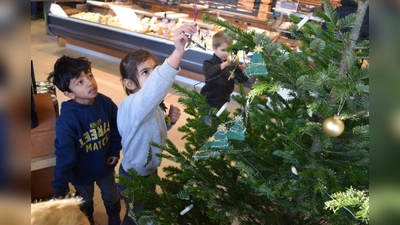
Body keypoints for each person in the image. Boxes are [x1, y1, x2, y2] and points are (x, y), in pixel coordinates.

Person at [117, 23, 196, 225]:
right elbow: (155, 87)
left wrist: (168, 122)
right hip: (134, 176)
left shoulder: (152, 106)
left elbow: (149, 130)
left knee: (146, 209)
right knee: (137, 217)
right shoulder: (132, 104)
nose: (153, 75)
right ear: (130, 84)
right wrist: (178, 52)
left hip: (149, 170)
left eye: (156, 69)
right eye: (145, 72)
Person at [48, 55, 122, 225]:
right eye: (79, 82)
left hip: (105, 167)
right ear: (68, 93)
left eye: (89, 75)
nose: (89, 82)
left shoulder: (105, 102)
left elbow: (116, 126)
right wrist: (59, 188)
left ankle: (114, 218)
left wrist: (114, 150)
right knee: (85, 202)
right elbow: (64, 157)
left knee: (111, 196)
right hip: (80, 175)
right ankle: (87, 220)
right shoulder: (67, 121)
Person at [200, 30, 250, 110]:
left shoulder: (232, 64)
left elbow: (242, 80)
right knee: (206, 121)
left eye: (229, 50)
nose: (226, 53)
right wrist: (225, 64)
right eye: (223, 50)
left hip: (224, 101)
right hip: (208, 100)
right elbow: (209, 73)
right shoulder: (209, 63)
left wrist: (244, 72)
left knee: (217, 121)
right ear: (214, 48)